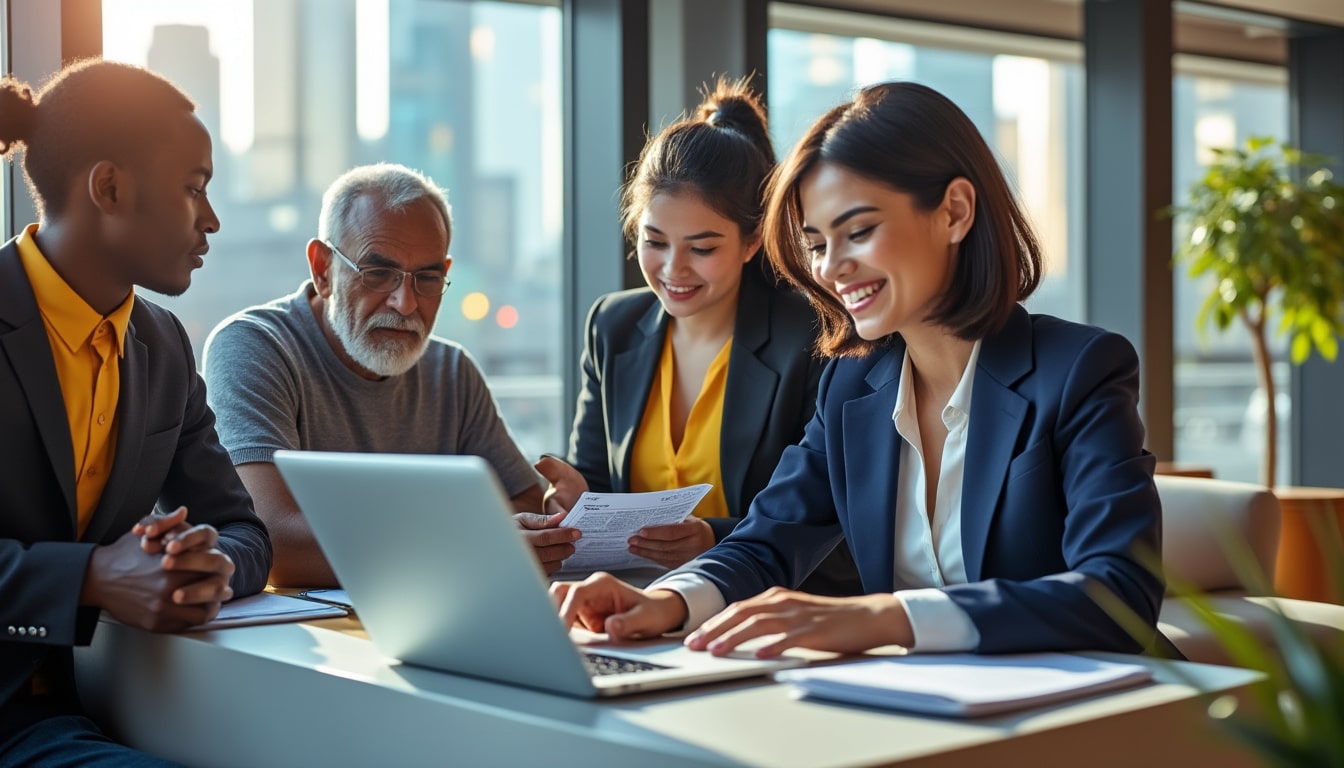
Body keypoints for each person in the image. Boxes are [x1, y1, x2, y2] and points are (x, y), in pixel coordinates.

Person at [552, 81, 1165, 659]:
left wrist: (887, 617)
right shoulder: (852, 386)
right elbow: (768, 539)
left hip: (1090, 713)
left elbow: (1120, 594)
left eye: (859, 231)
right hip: (918, 706)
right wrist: (664, 600)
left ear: (954, 211)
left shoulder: (1079, 370)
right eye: (817, 243)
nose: (830, 268)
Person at [0, 60, 272, 765]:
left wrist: (202, 566)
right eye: (194, 188)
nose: (211, 219)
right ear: (110, 187)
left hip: (91, 705)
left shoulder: (162, 346)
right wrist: (92, 577)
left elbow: (245, 528)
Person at [521, 80, 859, 595]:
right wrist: (576, 505)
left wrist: (712, 539)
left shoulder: (814, 337)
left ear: (752, 242)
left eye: (702, 248)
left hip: (761, 607)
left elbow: (832, 520)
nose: (673, 269)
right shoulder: (612, 326)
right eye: (654, 241)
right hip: (629, 604)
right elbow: (598, 479)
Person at [203, 163, 543, 587]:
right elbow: (273, 542)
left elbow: (526, 503)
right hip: (293, 635)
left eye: (427, 278)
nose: (404, 303)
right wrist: (469, 545)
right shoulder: (254, 346)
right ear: (323, 269)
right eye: (378, 273)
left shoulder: (451, 370)